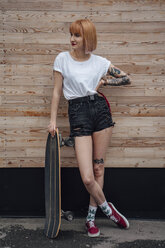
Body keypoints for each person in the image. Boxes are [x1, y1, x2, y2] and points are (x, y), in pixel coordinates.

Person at [48, 19, 131, 238]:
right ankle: (108, 209)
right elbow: (57, 92)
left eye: (77, 35)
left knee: (98, 169)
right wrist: (53, 120)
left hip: (100, 111)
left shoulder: (100, 62)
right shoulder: (62, 59)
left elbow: (126, 78)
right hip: (78, 114)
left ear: (88, 38)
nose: (72, 39)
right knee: (87, 177)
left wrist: (104, 82)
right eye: (71, 34)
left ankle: (91, 219)